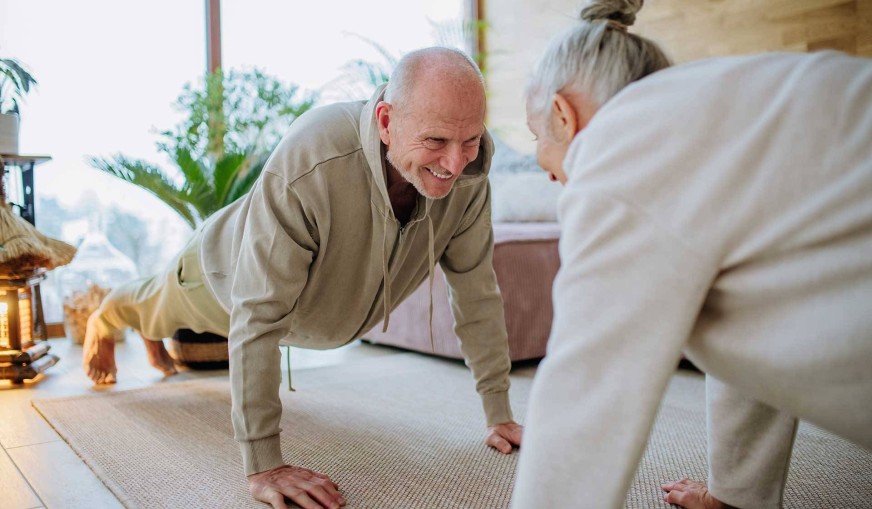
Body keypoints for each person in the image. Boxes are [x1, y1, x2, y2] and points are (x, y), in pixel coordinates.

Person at [83, 47, 524, 509]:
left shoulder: (469, 176)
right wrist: (264, 465)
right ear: (386, 122)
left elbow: (476, 291)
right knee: (152, 305)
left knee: (158, 318)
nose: (454, 164)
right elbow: (258, 314)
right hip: (221, 276)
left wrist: (499, 413)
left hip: (305, 313)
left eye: (469, 140)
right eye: (435, 141)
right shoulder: (315, 153)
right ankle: (107, 316)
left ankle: (146, 324)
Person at [511, 1, 872, 508]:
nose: (544, 168)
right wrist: (738, 496)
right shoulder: (716, 106)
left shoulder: (620, 147)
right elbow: (750, 311)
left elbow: (586, 388)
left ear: (562, 114)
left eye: (536, 138)